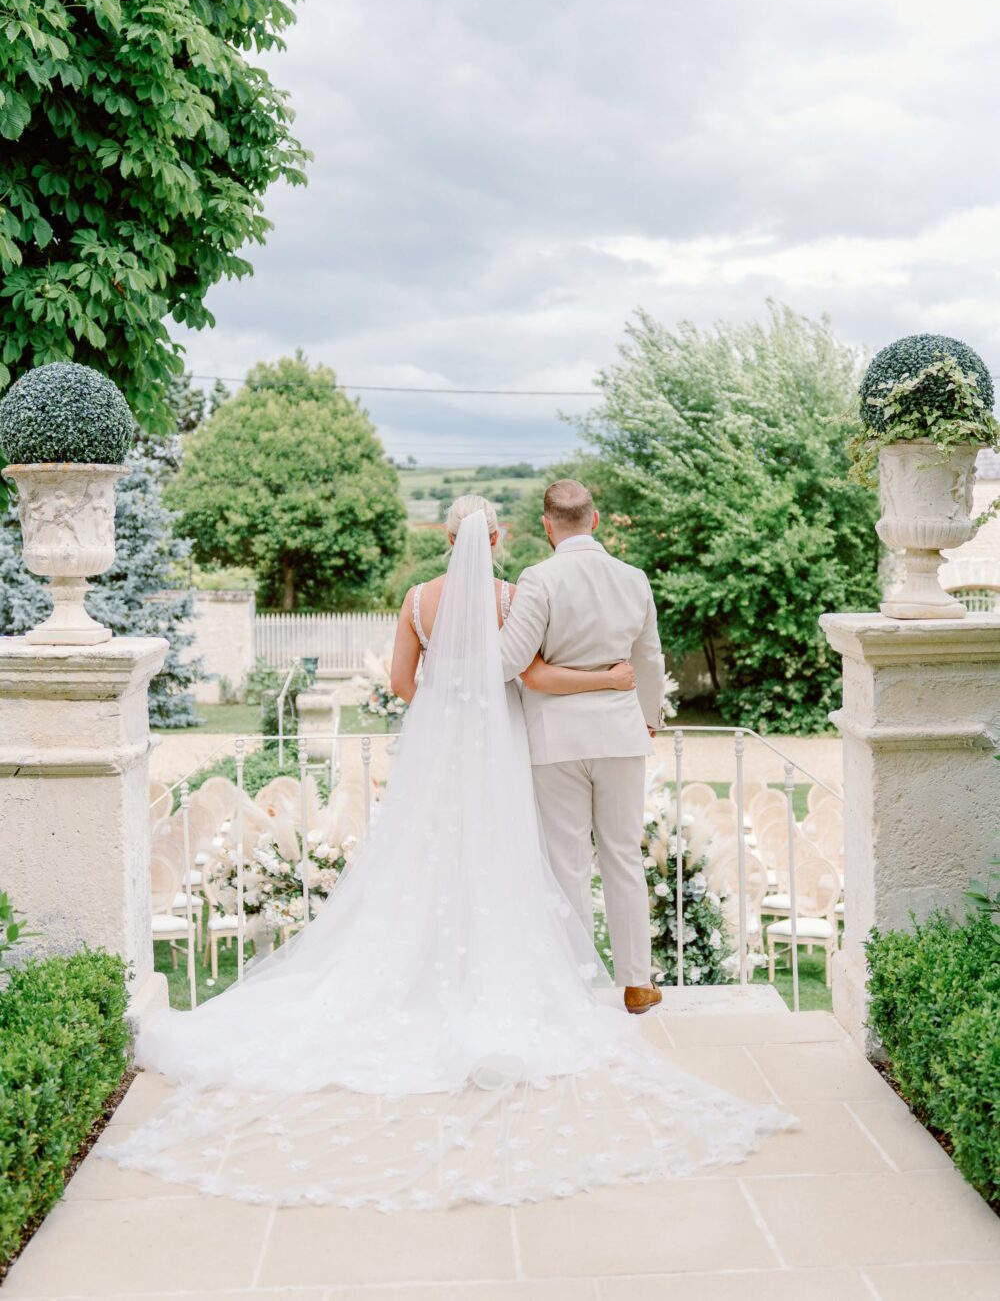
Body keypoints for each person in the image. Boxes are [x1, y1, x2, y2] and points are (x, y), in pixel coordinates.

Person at [101, 494, 793, 1210]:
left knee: (458, 860)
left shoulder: (421, 600)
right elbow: (550, 667)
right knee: (558, 859)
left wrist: (446, 686)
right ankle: (618, 980)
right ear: (496, 537)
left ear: (448, 540)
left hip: (452, 749)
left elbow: (406, 683)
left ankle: (451, 972)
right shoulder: (517, 592)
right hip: (535, 745)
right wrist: (628, 699)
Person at [499, 480, 664, 1013]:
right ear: (595, 520)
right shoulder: (633, 579)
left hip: (556, 739)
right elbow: (649, 660)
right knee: (622, 857)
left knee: (566, 861)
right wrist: (648, 720)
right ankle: (637, 983)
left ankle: (573, 984)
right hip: (620, 733)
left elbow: (510, 661)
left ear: (547, 526)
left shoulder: (538, 579)